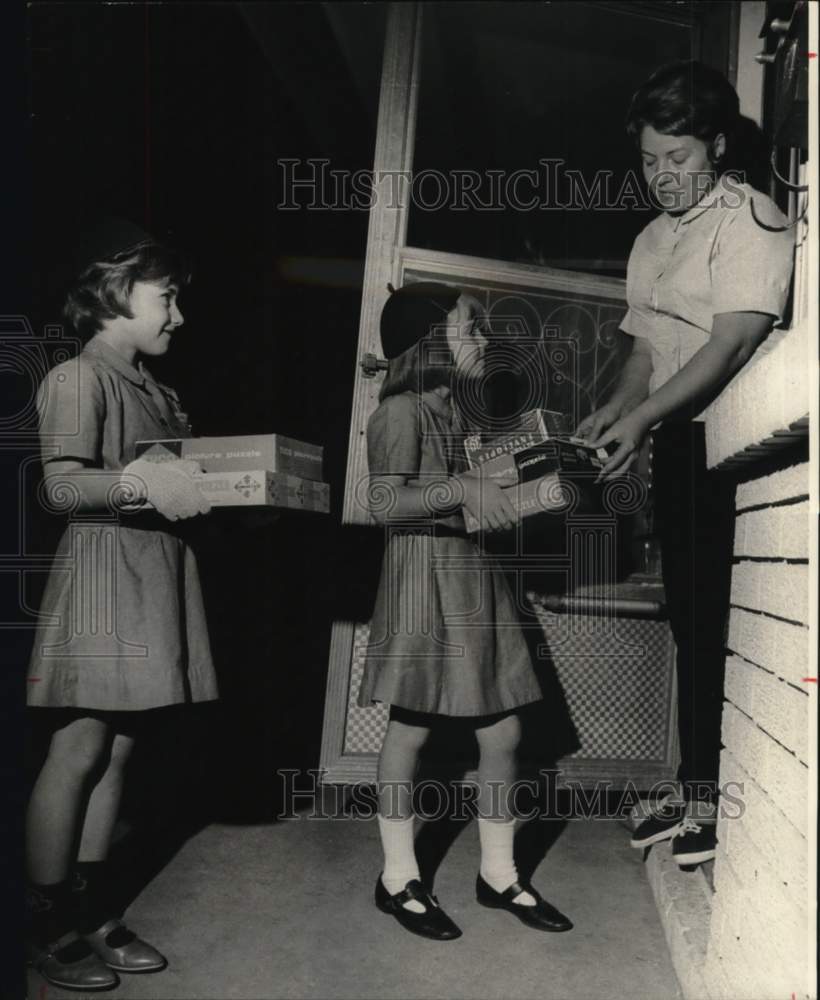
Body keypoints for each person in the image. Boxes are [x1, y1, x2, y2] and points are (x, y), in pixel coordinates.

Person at [576, 61, 794, 867]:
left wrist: (642, 415)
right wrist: (618, 406)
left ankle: (709, 796)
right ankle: (694, 779)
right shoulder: (652, 238)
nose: (663, 176)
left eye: (677, 157)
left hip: (726, 446)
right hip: (675, 439)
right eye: (649, 161)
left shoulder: (753, 219)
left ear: (718, 143)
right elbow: (645, 347)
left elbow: (731, 341)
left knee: (715, 627)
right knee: (686, 619)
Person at [25, 218, 218, 990]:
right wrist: (145, 484)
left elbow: (182, 480)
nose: (179, 316)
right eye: (166, 298)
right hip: (106, 579)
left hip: (152, 573)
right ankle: (46, 919)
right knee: (78, 747)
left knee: (121, 749)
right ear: (114, 293)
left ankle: (93, 905)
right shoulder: (82, 377)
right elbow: (62, 484)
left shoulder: (157, 388)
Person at [358, 281, 573, 940]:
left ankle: (499, 874)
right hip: (424, 575)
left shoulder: (456, 411)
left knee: (504, 733)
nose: (483, 341)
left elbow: (468, 496)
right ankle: (398, 878)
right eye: (468, 329)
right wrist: (468, 486)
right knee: (411, 729)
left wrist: (525, 491)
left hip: (472, 572)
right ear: (429, 344)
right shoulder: (399, 412)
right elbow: (386, 502)